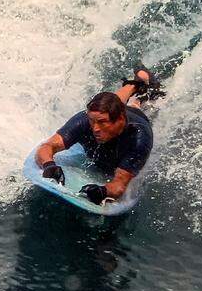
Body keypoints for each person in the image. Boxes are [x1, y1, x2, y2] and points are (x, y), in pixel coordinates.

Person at [34, 67, 160, 204]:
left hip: (137, 117)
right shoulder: (84, 120)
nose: (95, 128)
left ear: (120, 120)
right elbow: (47, 147)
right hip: (114, 112)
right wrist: (48, 165)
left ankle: (140, 97)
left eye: (101, 123)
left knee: (135, 107)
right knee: (108, 104)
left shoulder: (138, 138)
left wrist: (102, 191)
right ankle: (134, 85)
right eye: (91, 121)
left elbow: (119, 185)